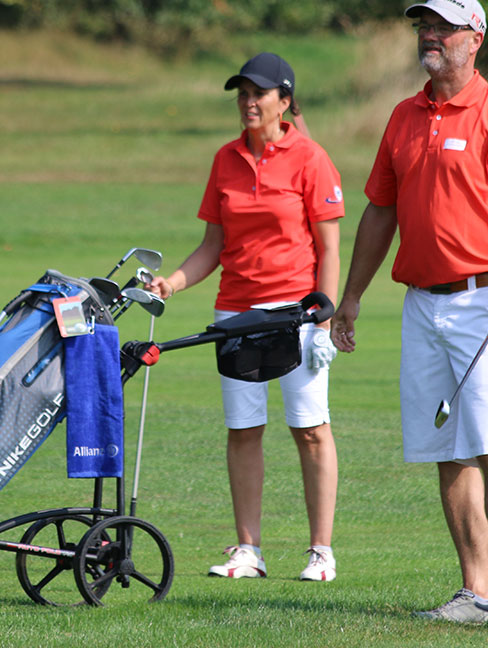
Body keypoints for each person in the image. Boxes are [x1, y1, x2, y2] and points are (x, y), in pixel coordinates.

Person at [330, 0, 488, 635]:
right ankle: (476, 590)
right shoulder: (404, 117)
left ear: (475, 38)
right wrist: (352, 297)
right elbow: (381, 211)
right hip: (422, 303)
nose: (431, 36)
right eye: (424, 26)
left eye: (445, 27)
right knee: (448, 450)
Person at [144, 52, 344, 582]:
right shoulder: (225, 159)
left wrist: (323, 322)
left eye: (259, 94)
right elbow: (213, 245)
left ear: (284, 100)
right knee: (243, 430)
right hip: (235, 311)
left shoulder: (311, 158)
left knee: (310, 430)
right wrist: (172, 283)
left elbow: (329, 248)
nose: (248, 102)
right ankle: (248, 550)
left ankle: (321, 552)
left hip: (295, 314)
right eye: (242, 94)